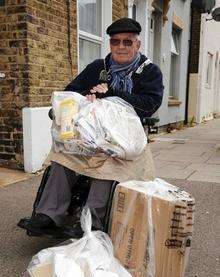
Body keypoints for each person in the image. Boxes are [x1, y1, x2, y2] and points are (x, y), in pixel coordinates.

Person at [19, 18, 164, 237]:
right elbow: (71, 91)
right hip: (90, 134)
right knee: (62, 158)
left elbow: (149, 105)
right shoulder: (98, 67)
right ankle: (48, 215)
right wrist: (65, 107)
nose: (121, 46)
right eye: (116, 42)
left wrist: (114, 94)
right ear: (111, 44)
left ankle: (91, 222)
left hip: (126, 138)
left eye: (127, 42)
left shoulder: (149, 72)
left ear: (137, 45)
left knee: (108, 165)